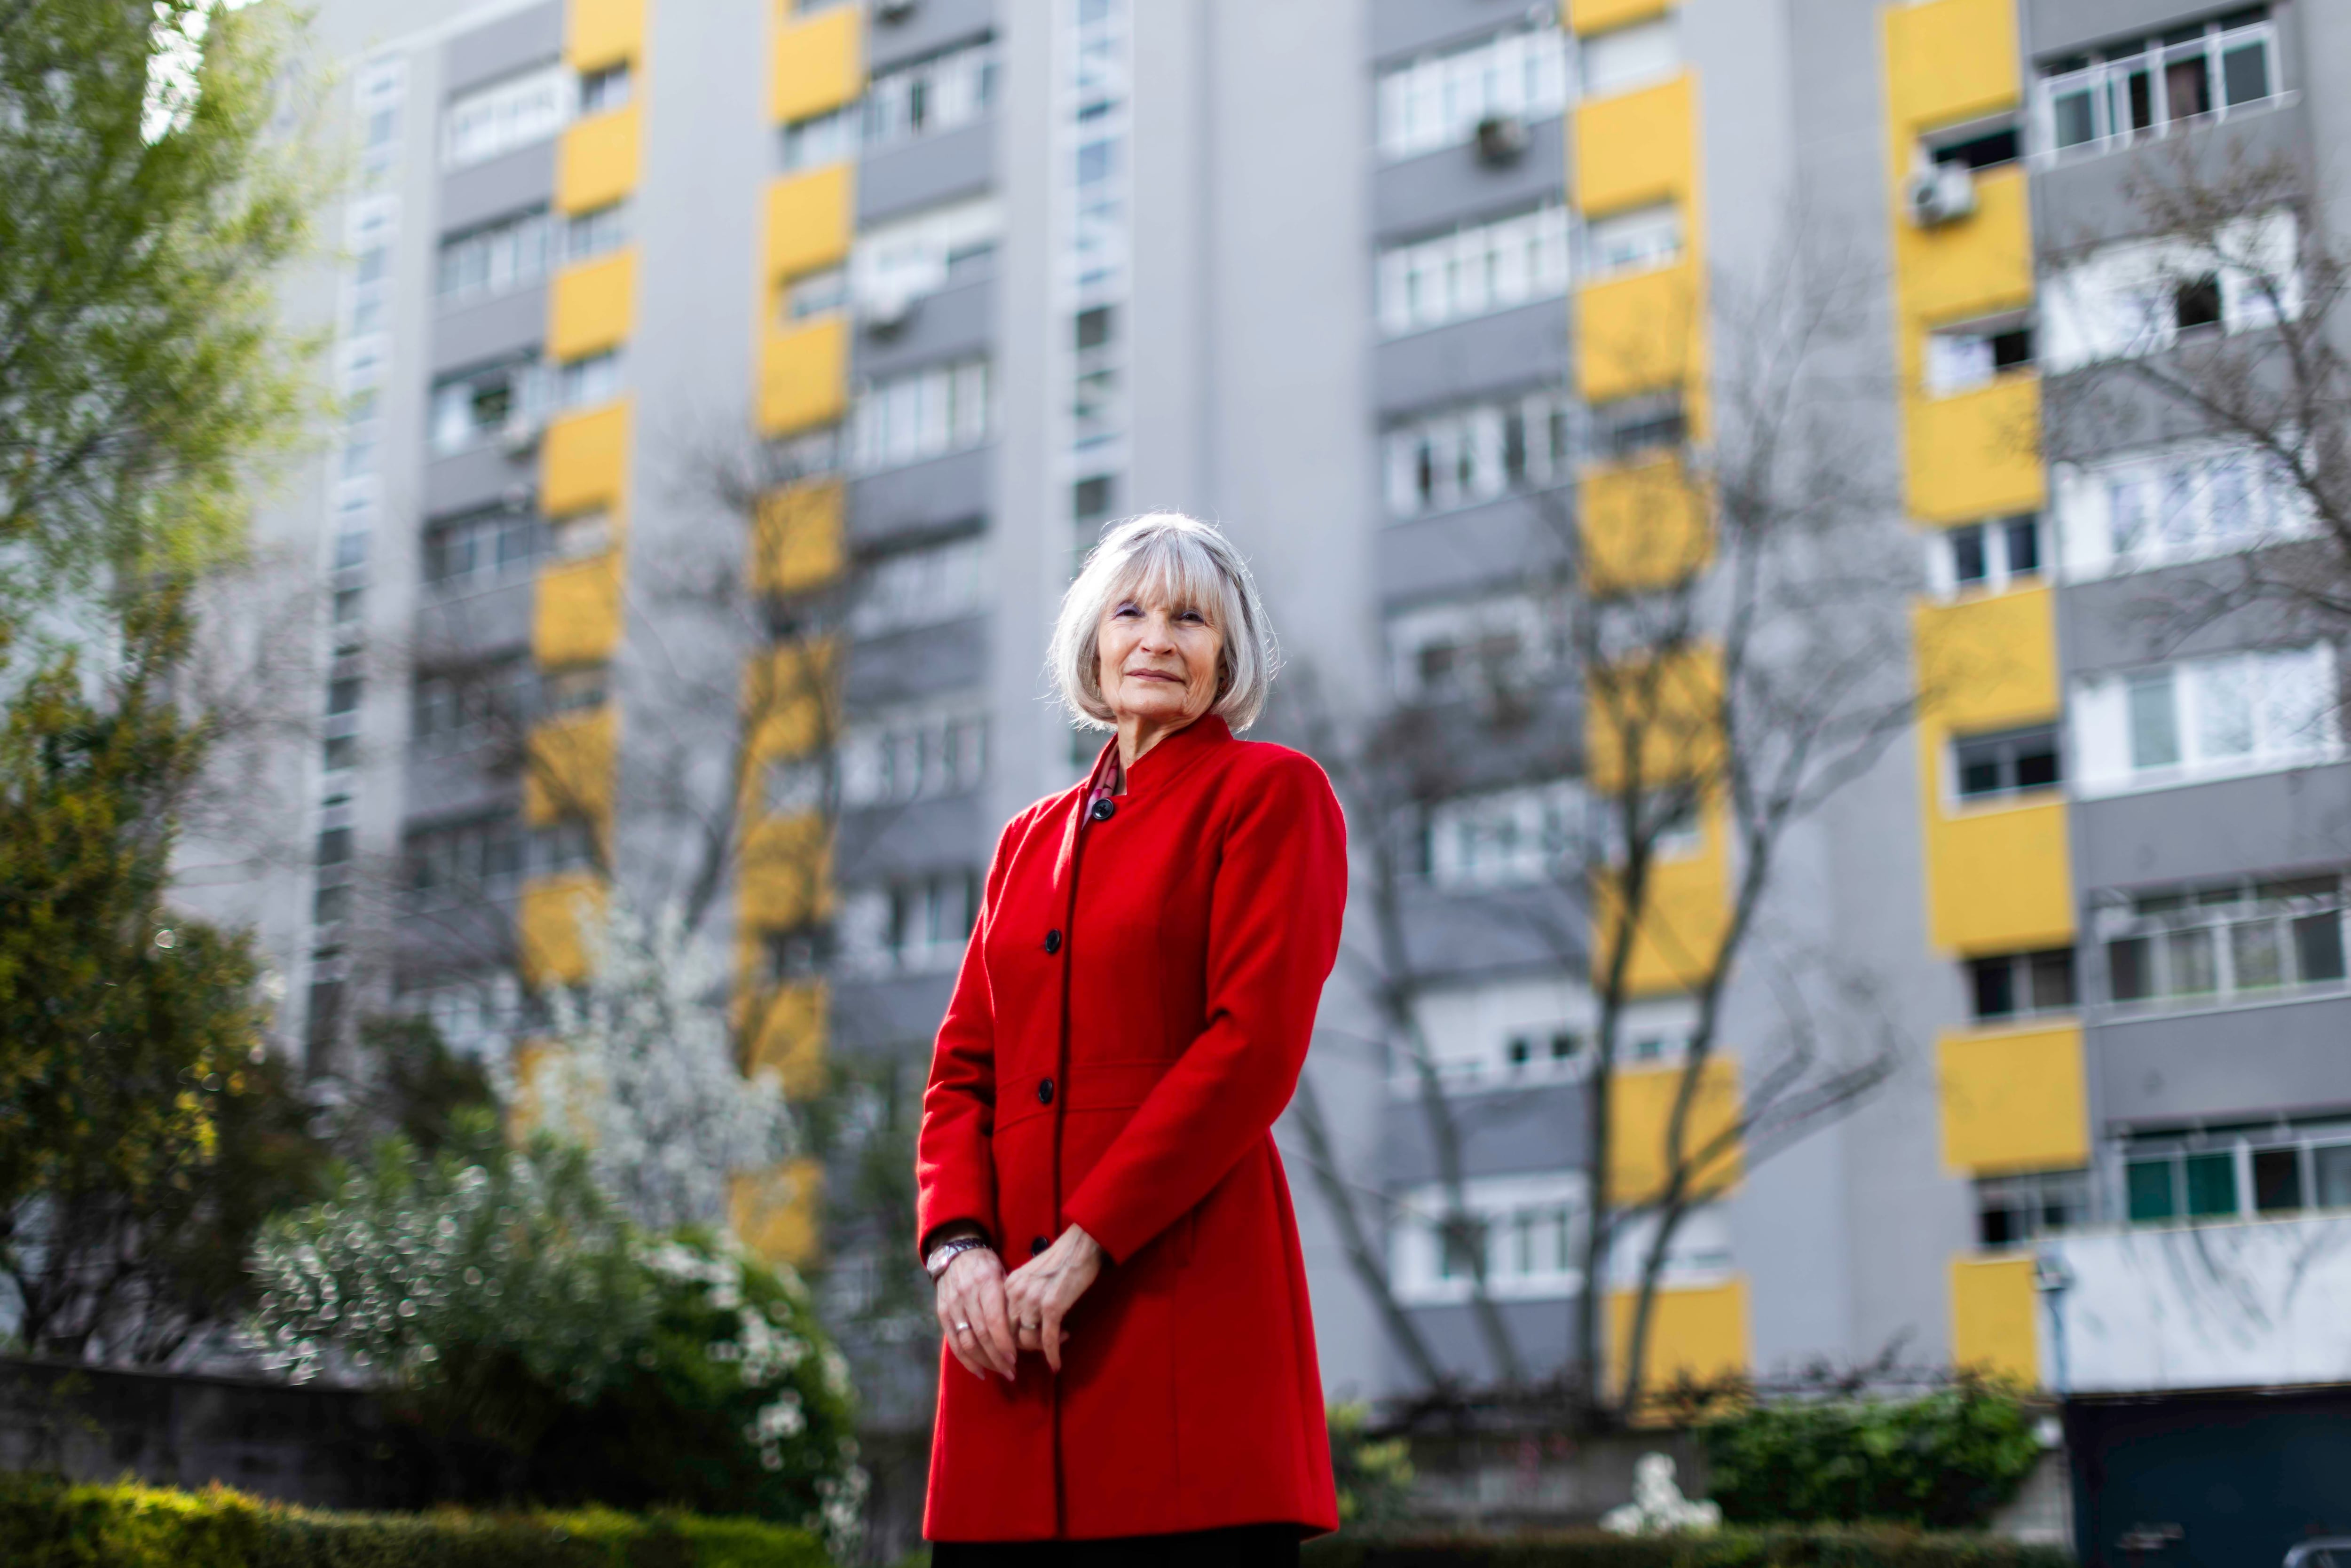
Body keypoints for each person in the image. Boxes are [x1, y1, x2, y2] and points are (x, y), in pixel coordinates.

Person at [914, 512, 1348, 1564]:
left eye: (1190, 619)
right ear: (1093, 641)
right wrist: (958, 1251)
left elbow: (1251, 1048)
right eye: (1130, 612)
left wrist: (1085, 1245)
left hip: (1180, 1311)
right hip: (1007, 1345)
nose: (1157, 638)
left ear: (1227, 655)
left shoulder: (1271, 794)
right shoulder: (1025, 842)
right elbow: (962, 1073)